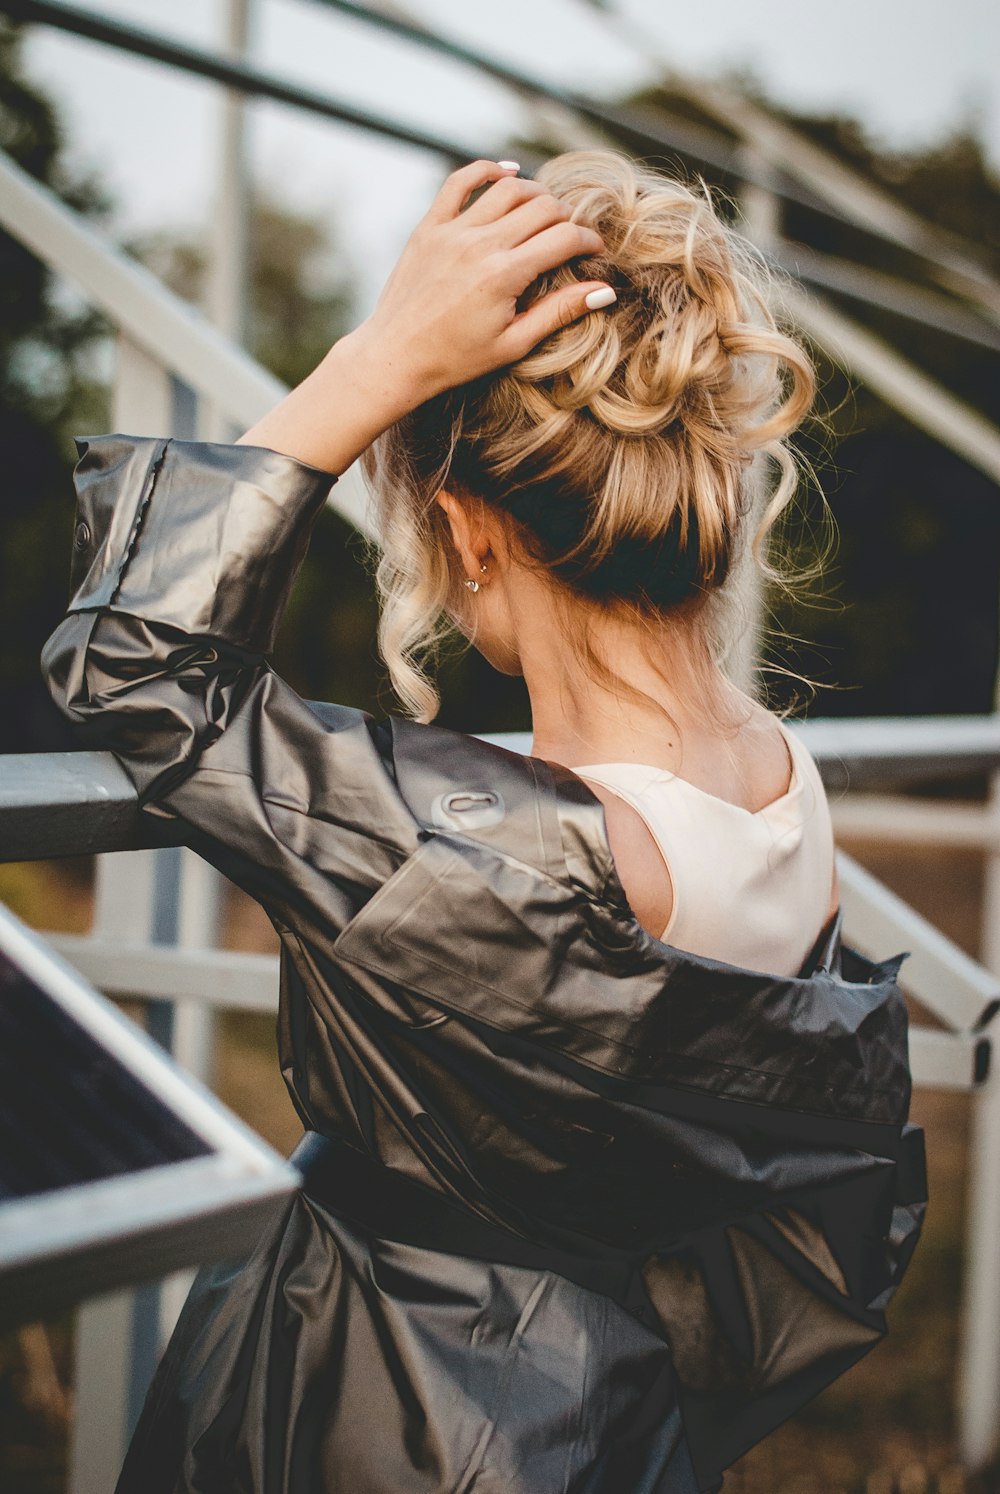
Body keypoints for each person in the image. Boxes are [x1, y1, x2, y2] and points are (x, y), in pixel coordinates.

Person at [43, 151, 925, 1494]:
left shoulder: (491, 864)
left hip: (379, 1413)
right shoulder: (779, 785)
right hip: (614, 1414)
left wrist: (374, 360)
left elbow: (134, 663)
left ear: (468, 533)